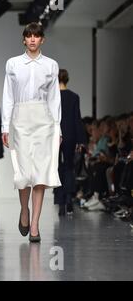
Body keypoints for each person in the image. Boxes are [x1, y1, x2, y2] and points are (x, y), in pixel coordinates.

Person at [1, 22, 62, 243]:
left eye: (37, 36)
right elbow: (8, 96)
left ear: (42, 39)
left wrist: (58, 127)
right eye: (29, 36)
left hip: (44, 121)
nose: (33, 39)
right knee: (23, 174)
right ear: (24, 39)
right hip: (19, 119)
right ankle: (24, 211)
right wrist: (4, 126)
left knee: (41, 174)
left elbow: (55, 99)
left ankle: (35, 223)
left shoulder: (51, 65)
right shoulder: (13, 64)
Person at [53, 69, 86, 216]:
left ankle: (60, 201)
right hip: (70, 135)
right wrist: (80, 140)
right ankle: (68, 199)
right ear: (67, 79)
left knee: (56, 167)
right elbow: (76, 119)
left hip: (54, 135)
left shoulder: (51, 97)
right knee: (69, 166)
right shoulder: (74, 97)